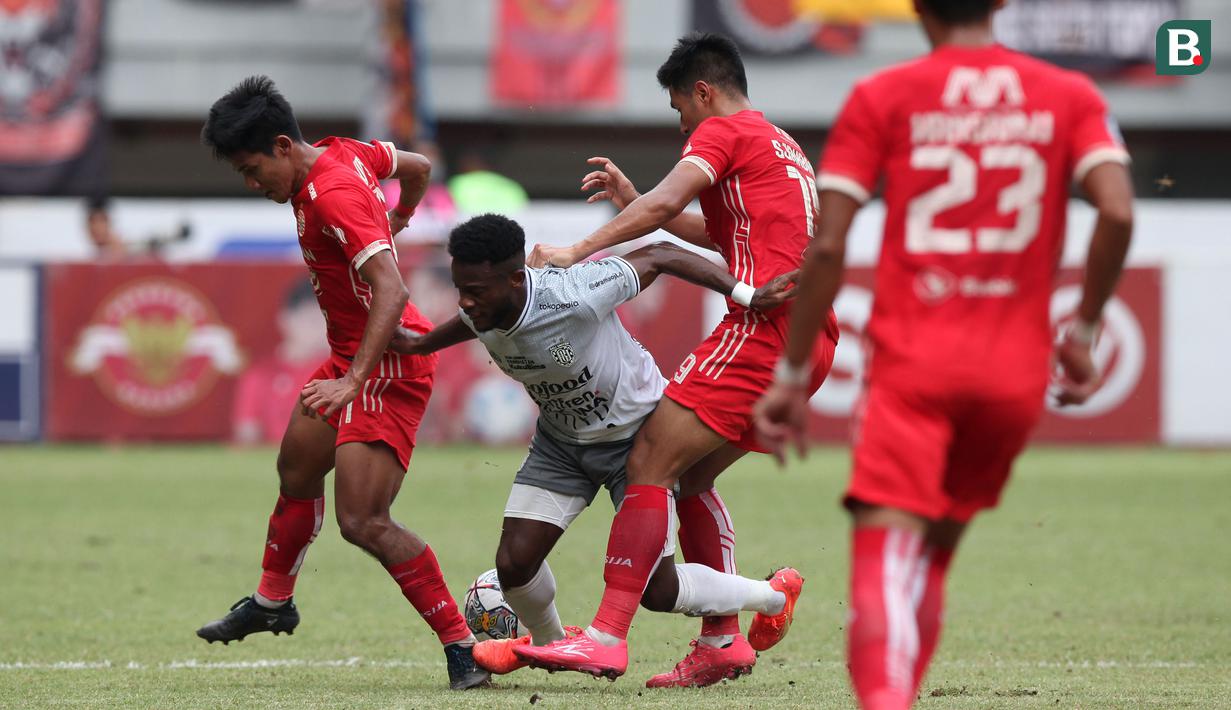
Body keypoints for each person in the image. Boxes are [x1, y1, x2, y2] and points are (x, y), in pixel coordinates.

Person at [752, 2, 1135, 708]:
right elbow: (1115, 210)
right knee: (931, 554)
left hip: (913, 368)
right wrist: (1080, 334)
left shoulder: (882, 95)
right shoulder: (1070, 95)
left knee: (885, 550)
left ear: (917, 7)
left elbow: (829, 245)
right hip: (1013, 375)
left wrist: (794, 371)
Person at [516, 32, 840, 681]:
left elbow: (669, 204)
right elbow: (717, 231)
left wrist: (574, 252)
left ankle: (605, 635)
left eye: (678, 108)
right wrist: (631, 197)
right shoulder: (781, 145)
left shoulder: (721, 131)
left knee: (647, 460)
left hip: (763, 330)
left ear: (702, 91)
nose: (681, 124)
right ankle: (722, 645)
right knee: (689, 477)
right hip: (809, 335)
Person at [389, 213, 801, 686]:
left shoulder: (573, 294)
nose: (465, 301)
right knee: (513, 563)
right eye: (460, 287)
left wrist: (745, 294)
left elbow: (662, 254)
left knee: (658, 590)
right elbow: (467, 322)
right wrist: (422, 345)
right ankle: (549, 644)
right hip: (561, 445)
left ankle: (772, 596)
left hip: (638, 440)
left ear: (516, 278)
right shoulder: (483, 304)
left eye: (476, 290)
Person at [194, 76, 490, 691]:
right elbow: (418, 164)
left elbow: (394, 290)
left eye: (253, 170)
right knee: (297, 469)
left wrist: (353, 381)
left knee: (364, 520)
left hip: (387, 364)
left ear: (280, 145)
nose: (253, 186)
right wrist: (403, 215)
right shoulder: (345, 151)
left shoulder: (332, 195)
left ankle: (463, 647)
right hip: (350, 358)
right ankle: (274, 601)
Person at [231, 280, 330, 445]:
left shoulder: (344, 373)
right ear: (286, 319)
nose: (321, 330)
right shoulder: (259, 375)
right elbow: (246, 437)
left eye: (327, 321)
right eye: (312, 320)